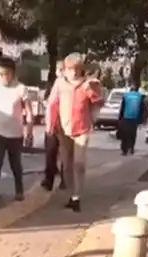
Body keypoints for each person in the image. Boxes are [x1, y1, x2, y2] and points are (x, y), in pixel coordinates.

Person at [45, 53, 103, 212]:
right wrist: (50, 125)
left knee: (79, 163)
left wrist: (96, 91)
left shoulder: (87, 84)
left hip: (82, 128)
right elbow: (52, 104)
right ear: (65, 69)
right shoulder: (59, 83)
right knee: (66, 164)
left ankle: (77, 196)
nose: (73, 72)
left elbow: (97, 103)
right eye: (70, 69)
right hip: (63, 129)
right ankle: (72, 194)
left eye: (76, 69)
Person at [0, 58, 33, 208]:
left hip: (15, 134)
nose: (2, 77)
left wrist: (29, 132)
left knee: (16, 165)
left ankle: (19, 190)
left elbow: (29, 112)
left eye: (6, 74)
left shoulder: (21, 89)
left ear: (12, 74)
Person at [40, 63, 67, 192]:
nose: (60, 71)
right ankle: (48, 179)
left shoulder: (69, 85)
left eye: (63, 69)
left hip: (65, 125)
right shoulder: (52, 84)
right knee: (50, 153)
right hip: (52, 124)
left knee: (65, 154)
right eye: (58, 69)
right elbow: (46, 102)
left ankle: (65, 179)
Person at [117, 84, 148, 156]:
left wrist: (120, 118)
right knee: (133, 134)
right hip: (135, 118)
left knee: (125, 134)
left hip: (126, 117)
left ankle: (124, 150)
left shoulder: (126, 96)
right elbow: (142, 109)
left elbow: (122, 108)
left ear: (130, 90)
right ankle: (131, 148)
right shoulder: (139, 96)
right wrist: (141, 120)